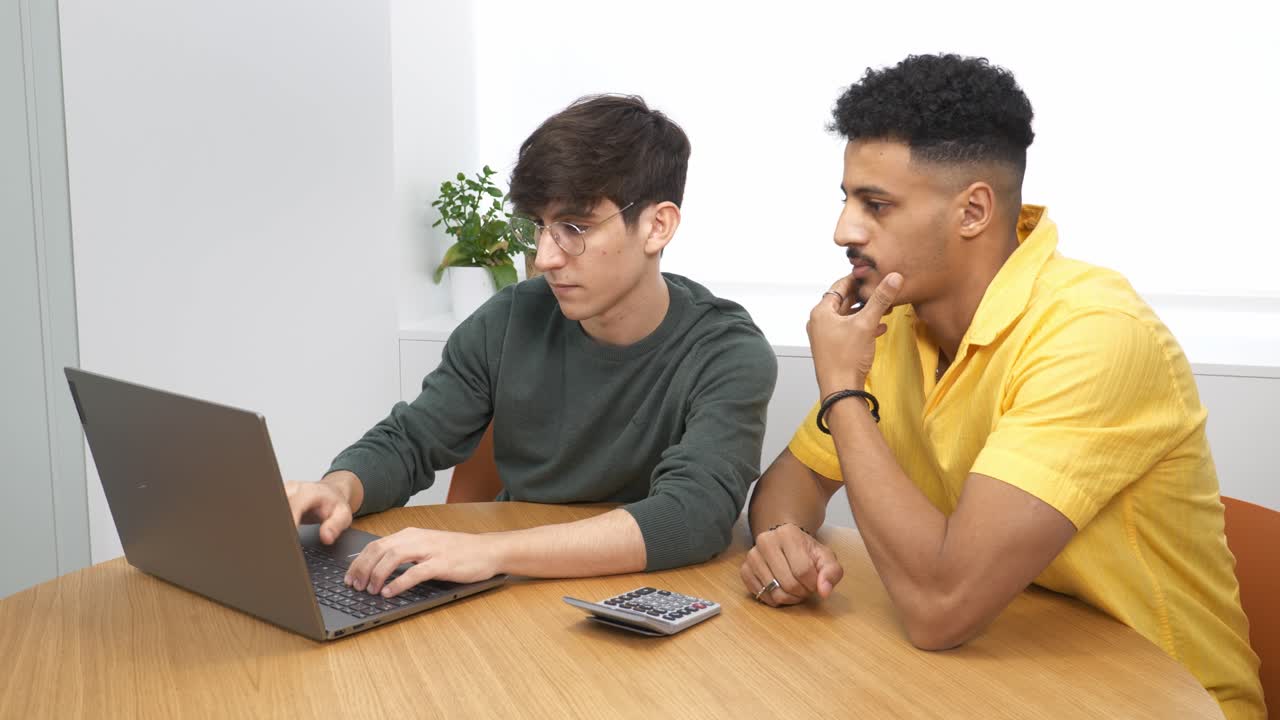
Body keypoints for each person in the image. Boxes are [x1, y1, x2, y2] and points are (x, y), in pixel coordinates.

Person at [741, 54, 1264, 719]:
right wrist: (782, 539)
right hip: (992, 684)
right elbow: (787, 489)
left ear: (973, 211)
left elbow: (938, 609)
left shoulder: (1093, 335)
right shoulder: (898, 321)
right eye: (846, 200)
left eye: (875, 204)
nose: (843, 230)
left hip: (1164, 702)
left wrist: (842, 389)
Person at [286, 94, 777, 597]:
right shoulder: (510, 319)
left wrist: (490, 552)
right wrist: (338, 487)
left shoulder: (727, 352)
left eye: (574, 228)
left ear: (658, 226)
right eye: (538, 227)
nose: (544, 257)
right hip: (518, 592)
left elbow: (693, 516)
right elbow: (411, 439)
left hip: (648, 596)